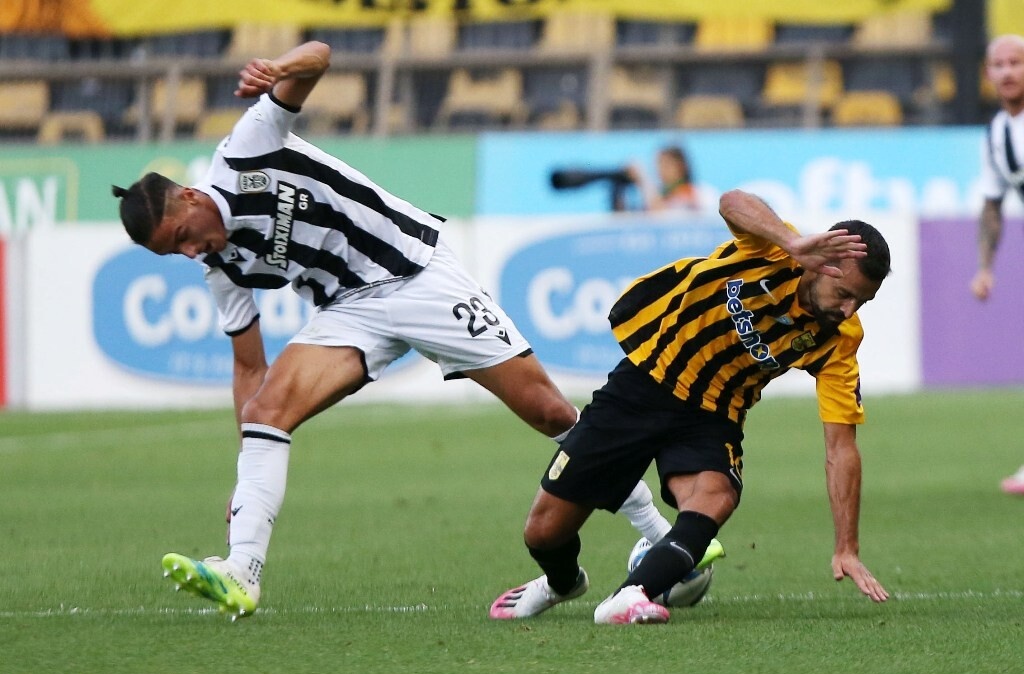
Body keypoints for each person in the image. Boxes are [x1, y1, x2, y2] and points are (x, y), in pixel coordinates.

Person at [110, 40, 670, 619]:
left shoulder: (245, 152)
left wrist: (279, 68)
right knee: (264, 413)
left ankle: (657, 533)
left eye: (182, 237)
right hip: (349, 311)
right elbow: (249, 367)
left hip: (415, 271)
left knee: (548, 412)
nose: (190, 252)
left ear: (192, 198)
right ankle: (242, 569)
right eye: (174, 253)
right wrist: (245, 473)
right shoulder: (221, 267)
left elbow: (320, 55)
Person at [490, 188, 892, 625]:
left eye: (861, 302)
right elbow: (731, 201)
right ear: (820, 264)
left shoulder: (840, 339)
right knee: (544, 532)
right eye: (844, 292)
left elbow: (841, 448)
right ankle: (562, 582)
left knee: (717, 497)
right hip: (645, 383)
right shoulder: (777, 249)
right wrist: (792, 241)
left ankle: (630, 595)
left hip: (713, 415)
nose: (849, 309)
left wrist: (847, 547)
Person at [968, 33, 1024, 495]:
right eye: (999, 64)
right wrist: (985, 266)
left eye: (1016, 62)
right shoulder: (998, 134)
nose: (1007, 71)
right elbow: (992, 205)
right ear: (988, 73)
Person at [626, 144, 700, 212]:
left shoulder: (690, 192)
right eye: (659, 165)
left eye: (666, 165)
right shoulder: (663, 193)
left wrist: (643, 180)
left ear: (680, 166)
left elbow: (661, 214)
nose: (661, 170)